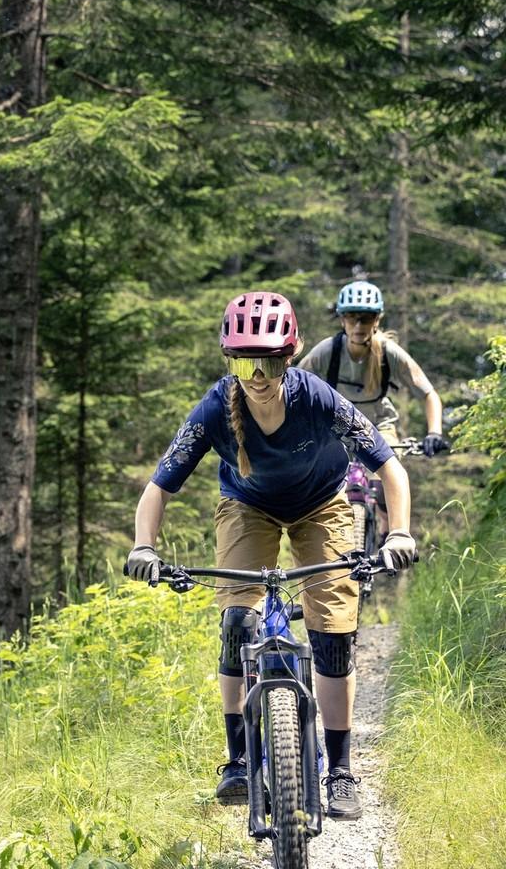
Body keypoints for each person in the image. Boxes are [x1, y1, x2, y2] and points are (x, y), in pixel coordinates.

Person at [126, 290, 414, 820]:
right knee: (237, 620)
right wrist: (144, 546)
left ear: (291, 356)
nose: (258, 375)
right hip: (248, 507)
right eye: (244, 361)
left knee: (332, 632)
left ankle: (341, 771)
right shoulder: (215, 407)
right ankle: (236, 761)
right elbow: (159, 487)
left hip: (322, 506)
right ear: (228, 359)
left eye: (271, 361)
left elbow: (389, 468)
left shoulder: (319, 398)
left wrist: (397, 534)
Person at [297, 280, 448, 531]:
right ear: (341, 319)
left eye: (365, 319)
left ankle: (389, 531)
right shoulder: (327, 351)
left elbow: (428, 393)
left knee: (386, 484)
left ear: (377, 320)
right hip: (335, 427)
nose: (358, 326)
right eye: (351, 318)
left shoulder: (390, 352)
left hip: (378, 425)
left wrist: (434, 432)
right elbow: (295, 388)